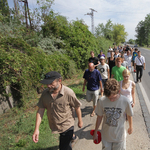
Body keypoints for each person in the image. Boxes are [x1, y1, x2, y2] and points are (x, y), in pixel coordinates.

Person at [32, 71, 83, 150]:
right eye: (47, 83)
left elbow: (77, 106)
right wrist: (36, 129)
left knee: (63, 147)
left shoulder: (68, 93)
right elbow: (40, 110)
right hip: (56, 125)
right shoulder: (45, 94)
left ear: (59, 81)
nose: (48, 85)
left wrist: (80, 121)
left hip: (67, 125)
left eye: (51, 83)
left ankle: (71, 136)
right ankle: (73, 136)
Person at [93, 78, 133, 150]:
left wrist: (131, 126)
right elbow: (99, 117)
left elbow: (129, 115)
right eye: (109, 98)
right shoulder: (102, 101)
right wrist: (95, 131)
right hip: (106, 136)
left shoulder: (125, 101)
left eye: (113, 97)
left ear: (119, 91)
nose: (111, 100)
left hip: (120, 137)